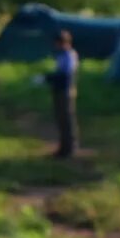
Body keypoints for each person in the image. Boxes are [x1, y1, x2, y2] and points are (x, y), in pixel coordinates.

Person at [49, 29, 80, 159]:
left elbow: (65, 75)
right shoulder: (62, 55)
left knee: (67, 119)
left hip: (66, 91)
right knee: (61, 119)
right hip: (59, 90)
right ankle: (63, 146)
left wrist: (48, 78)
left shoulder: (69, 55)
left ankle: (69, 148)